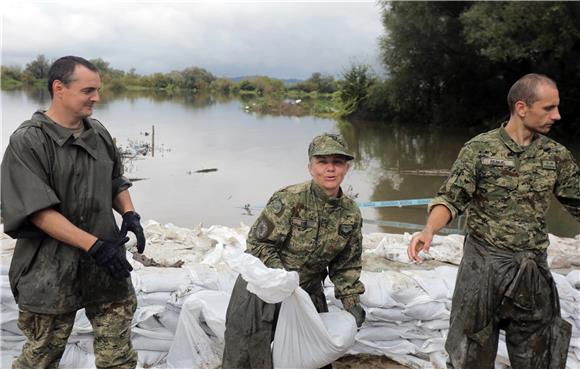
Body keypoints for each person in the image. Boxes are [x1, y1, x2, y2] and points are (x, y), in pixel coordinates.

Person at [408, 73, 580, 369]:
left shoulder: (556, 156)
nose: (557, 115)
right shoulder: (479, 150)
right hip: (483, 269)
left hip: (532, 271)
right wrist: (429, 230)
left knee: (541, 353)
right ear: (522, 108)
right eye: (549, 108)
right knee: (470, 353)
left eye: (557, 107)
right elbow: (451, 198)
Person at [1, 56, 146, 369]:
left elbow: (115, 180)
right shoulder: (28, 141)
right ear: (59, 89)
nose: (97, 98)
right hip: (50, 271)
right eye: (88, 90)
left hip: (106, 267)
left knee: (118, 358)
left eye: (97, 90)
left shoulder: (99, 134)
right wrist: (94, 245)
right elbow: (38, 212)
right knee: (40, 359)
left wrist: (130, 215)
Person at [222, 133, 366, 369]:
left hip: (305, 295)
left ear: (346, 168)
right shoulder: (289, 200)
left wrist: (351, 301)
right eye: (322, 162)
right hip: (262, 292)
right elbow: (259, 245)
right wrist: (283, 279)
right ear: (310, 167)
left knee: (307, 359)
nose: (330, 169)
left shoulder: (350, 213)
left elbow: (346, 264)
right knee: (247, 357)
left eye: (337, 162)